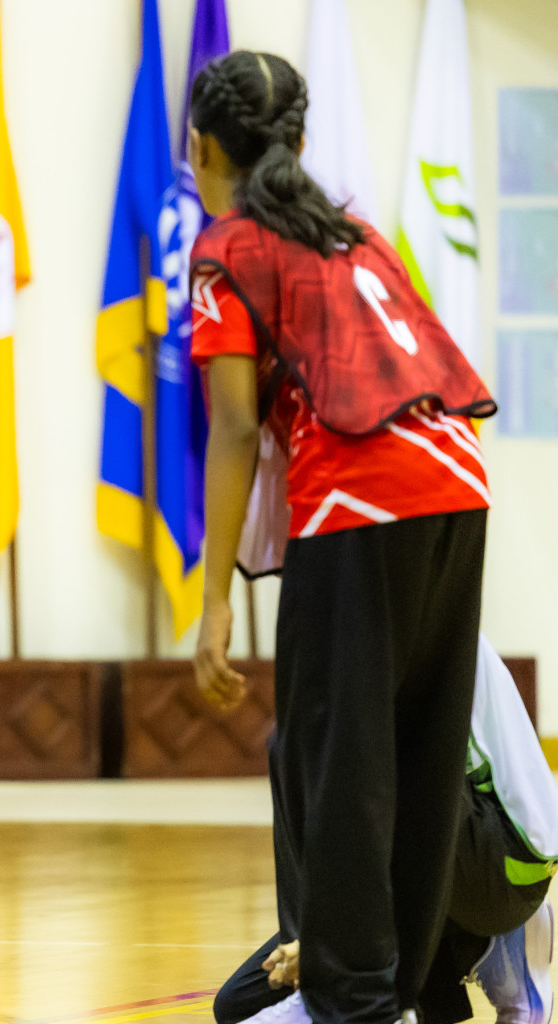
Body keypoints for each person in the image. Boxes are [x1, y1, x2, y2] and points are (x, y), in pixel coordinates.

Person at [188, 51, 496, 1024]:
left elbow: (235, 427)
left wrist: (213, 601)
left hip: (361, 497)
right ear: (303, 142)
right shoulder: (358, 233)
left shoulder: (231, 246)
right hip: (458, 478)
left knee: (334, 753)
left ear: (200, 149)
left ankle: (356, 1000)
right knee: (419, 745)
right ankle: (418, 983)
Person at [217, 636, 556, 1024]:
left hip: (506, 859)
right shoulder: (335, 631)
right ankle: (469, 950)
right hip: (435, 868)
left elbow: (394, 798)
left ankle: (495, 937)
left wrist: (326, 951)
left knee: (340, 750)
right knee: (238, 1004)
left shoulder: (407, 625)